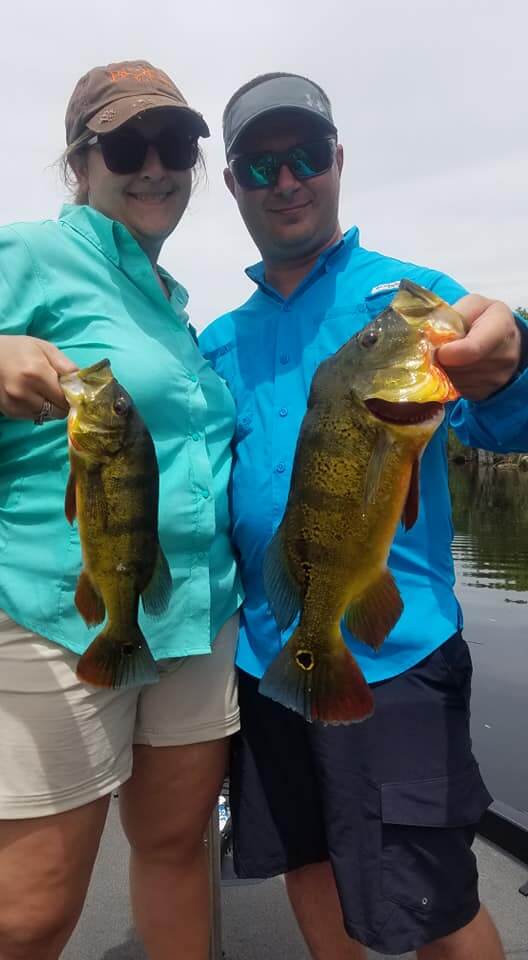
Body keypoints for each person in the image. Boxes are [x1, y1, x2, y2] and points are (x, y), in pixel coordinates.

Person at [199, 72, 528, 959]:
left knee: (437, 901)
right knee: (305, 861)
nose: (287, 181)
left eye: (305, 157)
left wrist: (516, 350)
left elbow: (509, 412)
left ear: (337, 161)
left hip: (397, 653)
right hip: (275, 651)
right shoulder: (219, 339)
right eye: (260, 167)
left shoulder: (410, 301)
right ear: (232, 185)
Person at [0, 60, 243, 960]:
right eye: (127, 145)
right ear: (80, 164)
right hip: (61, 618)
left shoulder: (176, 311)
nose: (155, 166)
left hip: (194, 617)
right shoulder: (28, 253)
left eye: (174, 144)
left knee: (176, 850)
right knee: (29, 913)